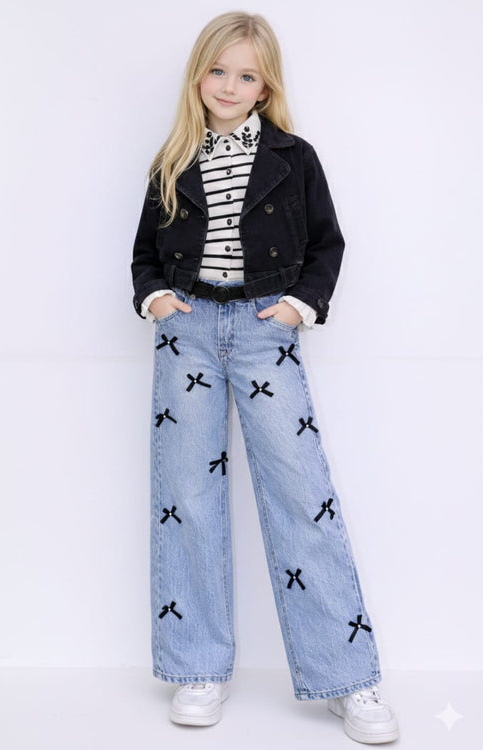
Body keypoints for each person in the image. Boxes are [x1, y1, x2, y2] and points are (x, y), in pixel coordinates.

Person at [131, 11, 400, 744]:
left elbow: (327, 245)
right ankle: (198, 666)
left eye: (246, 75)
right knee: (186, 497)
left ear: (265, 86)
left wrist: (296, 308)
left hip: (263, 330)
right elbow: (145, 251)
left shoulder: (293, 157)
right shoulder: (173, 159)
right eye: (218, 70)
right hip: (188, 330)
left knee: (301, 494)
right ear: (198, 75)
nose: (229, 85)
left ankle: (346, 677)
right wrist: (155, 299)